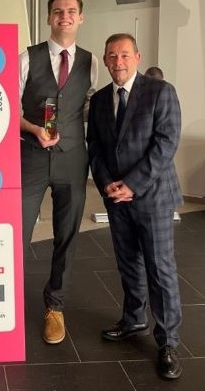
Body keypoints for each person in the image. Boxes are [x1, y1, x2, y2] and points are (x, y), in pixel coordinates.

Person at [87, 33, 183, 380]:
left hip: (152, 197)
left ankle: (168, 342)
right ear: (105, 60)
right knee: (128, 263)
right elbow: (95, 146)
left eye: (125, 55)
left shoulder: (160, 92)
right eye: (112, 56)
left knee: (159, 268)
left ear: (137, 57)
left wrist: (132, 184)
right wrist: (106, 183)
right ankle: (133, 320)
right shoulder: (99, 100)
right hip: (116, 199)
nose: (119, 62)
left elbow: (166, 143)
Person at [19, 0, 98, 344]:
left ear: (80, 18)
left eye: (70, 11)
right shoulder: (27, 57)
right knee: (17, 232)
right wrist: (33, 128)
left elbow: (88, 106)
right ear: (49, 17)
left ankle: (55, 306)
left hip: (72, 158)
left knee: (67, 234)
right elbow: (7, 108)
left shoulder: (91, 62)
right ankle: (6, 299)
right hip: (31, 156)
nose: (64, 16)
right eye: (57, 11)